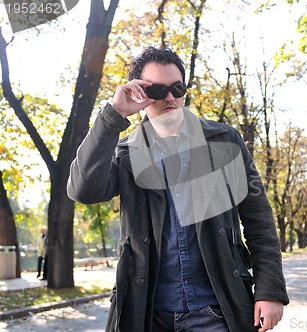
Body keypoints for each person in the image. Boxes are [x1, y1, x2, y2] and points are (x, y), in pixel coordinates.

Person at [67, 46, 289, 332]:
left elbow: (258, 218)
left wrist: (270, 290)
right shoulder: (125, 153)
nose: (170, 98)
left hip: (216, 311)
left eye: (177, 88)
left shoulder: (225, 141)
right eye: (158, 91)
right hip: (147, 314)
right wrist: (114, 115)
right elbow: (83, 190)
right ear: (140, 94)